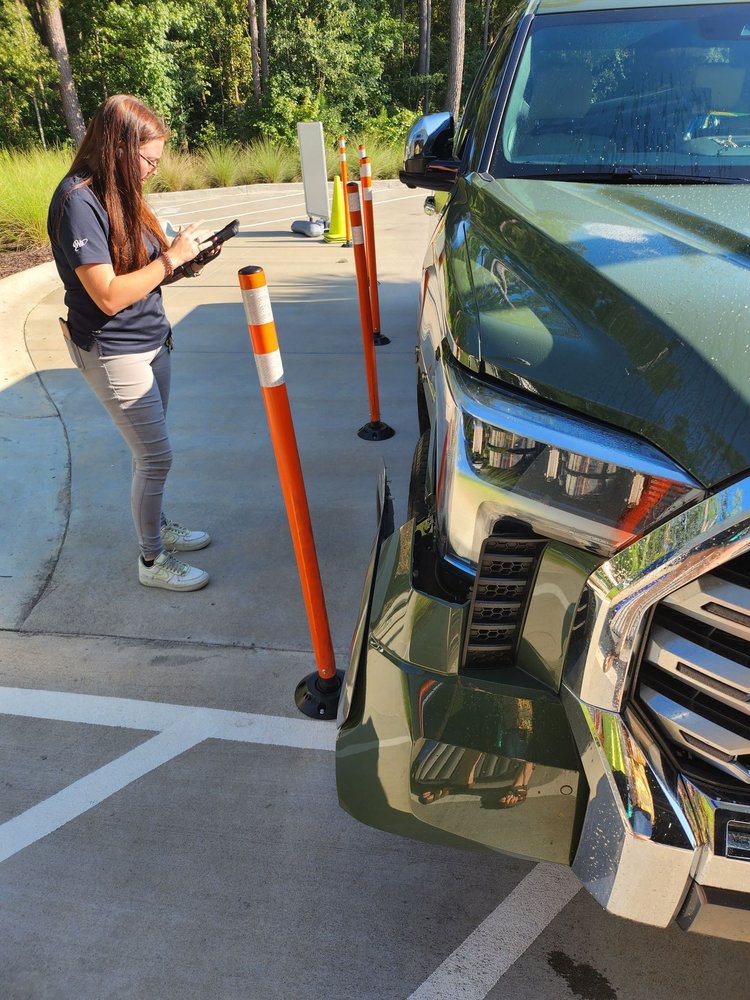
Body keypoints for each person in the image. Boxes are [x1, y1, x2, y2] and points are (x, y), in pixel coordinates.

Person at [47, 94, 218, 592]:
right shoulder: (78, 201)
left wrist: (185, 259)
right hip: (112, 348)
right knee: (156, 456)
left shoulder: (123, 192)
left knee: (151, 452)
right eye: (148, 159)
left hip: (151, 338)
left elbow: (142, 270)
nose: (152, 170)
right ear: (120, 147)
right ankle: (151, 560)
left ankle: (157, 523)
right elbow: (106, 295)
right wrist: (169, 261)